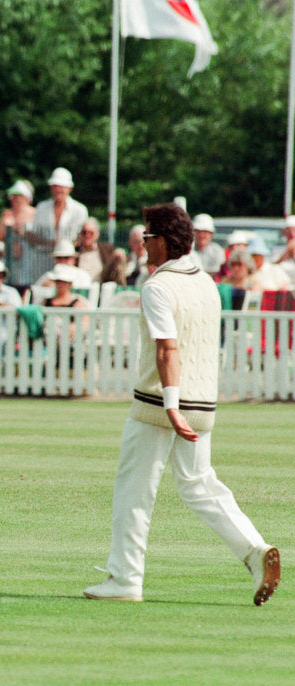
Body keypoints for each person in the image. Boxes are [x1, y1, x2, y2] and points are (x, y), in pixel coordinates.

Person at [84, 203, 280, 605]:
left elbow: (167, 349)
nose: (141, 242)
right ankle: (254, 550)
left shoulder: (158, 286)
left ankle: (124, 579)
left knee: (134, 490)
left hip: (160, 402)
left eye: (147, 236)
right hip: (202, 403)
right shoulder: (205, 281)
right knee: (199, 485)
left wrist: (170, 404)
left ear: (164, 241)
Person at [20, 167, 88, 286]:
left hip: (67, 261)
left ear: (69, 188)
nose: (58, 190)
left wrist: (64, 247)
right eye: (55, 186)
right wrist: (49, 243)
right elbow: (34, 234)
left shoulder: (79, 210)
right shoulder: (41, 208)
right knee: (42, 289)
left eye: (61, 186)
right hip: (42, 260)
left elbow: (83, 237)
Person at [0, 179, 37, 291]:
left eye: (17, 196)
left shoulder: (35, 214)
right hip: (10, 259)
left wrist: (21, 231)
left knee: (26, 287)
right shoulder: (7, 214)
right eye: (12, 196)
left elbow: (38, 238)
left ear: (26, 198)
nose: (14, 199)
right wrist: (5, 227)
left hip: (29, 260)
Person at [75, 217, 125, 284]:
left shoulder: (107, 249)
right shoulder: (74, 251)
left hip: (102, 288)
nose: (87, 235)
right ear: (80, 234)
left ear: (97, 234)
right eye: (84, 232)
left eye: (91, 233)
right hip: (80, 290)